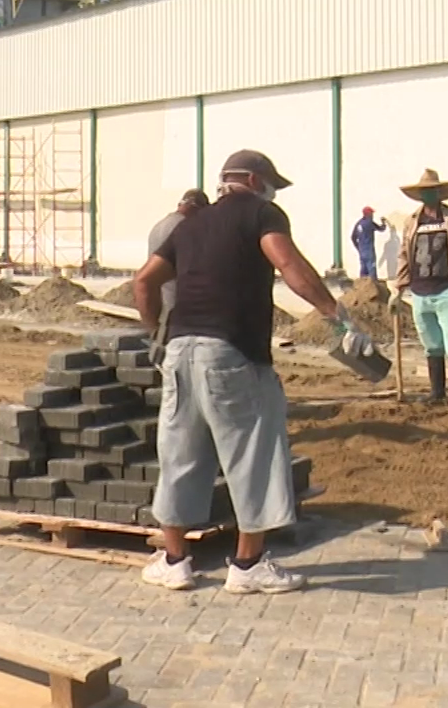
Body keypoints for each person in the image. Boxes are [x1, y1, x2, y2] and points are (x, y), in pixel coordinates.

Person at [132, 149, 365, 593]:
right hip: (231, 352)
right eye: (272, 183)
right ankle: (248, 565)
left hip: (180, 352)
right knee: (253, 454)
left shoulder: (190, 224)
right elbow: (289, 265)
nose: (275, 191)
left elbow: (144, 281)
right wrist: (336, 314)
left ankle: (174, 560)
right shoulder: (262, 213)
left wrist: (156, 333)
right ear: (255, 181)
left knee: (180, 455)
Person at [393, 169, 448, 407]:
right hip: (419, 291)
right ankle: (437, 392)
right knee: (431, 344)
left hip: (446, 289)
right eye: (425, 192)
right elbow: (404, 255)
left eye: (432, 191)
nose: (428, 196)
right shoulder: (412, 222)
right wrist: (398, 287)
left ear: (440, 193)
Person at [141, 189, 209, 337]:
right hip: (181, 309)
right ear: (197, 207)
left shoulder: (159, 225)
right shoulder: (185, 227)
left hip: (162, 308)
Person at [350, 207, 386, 280]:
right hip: (369, 251)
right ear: (368, 214)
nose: (372, 216)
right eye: (371, 214)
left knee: (363, 269)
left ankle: (363, 287)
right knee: (371, 269)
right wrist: (383, 223)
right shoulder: (369, 223)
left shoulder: (358, 224)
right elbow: (381, 229)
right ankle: (373, 287)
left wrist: (358, 248)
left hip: (362, 251)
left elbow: (353, 237)